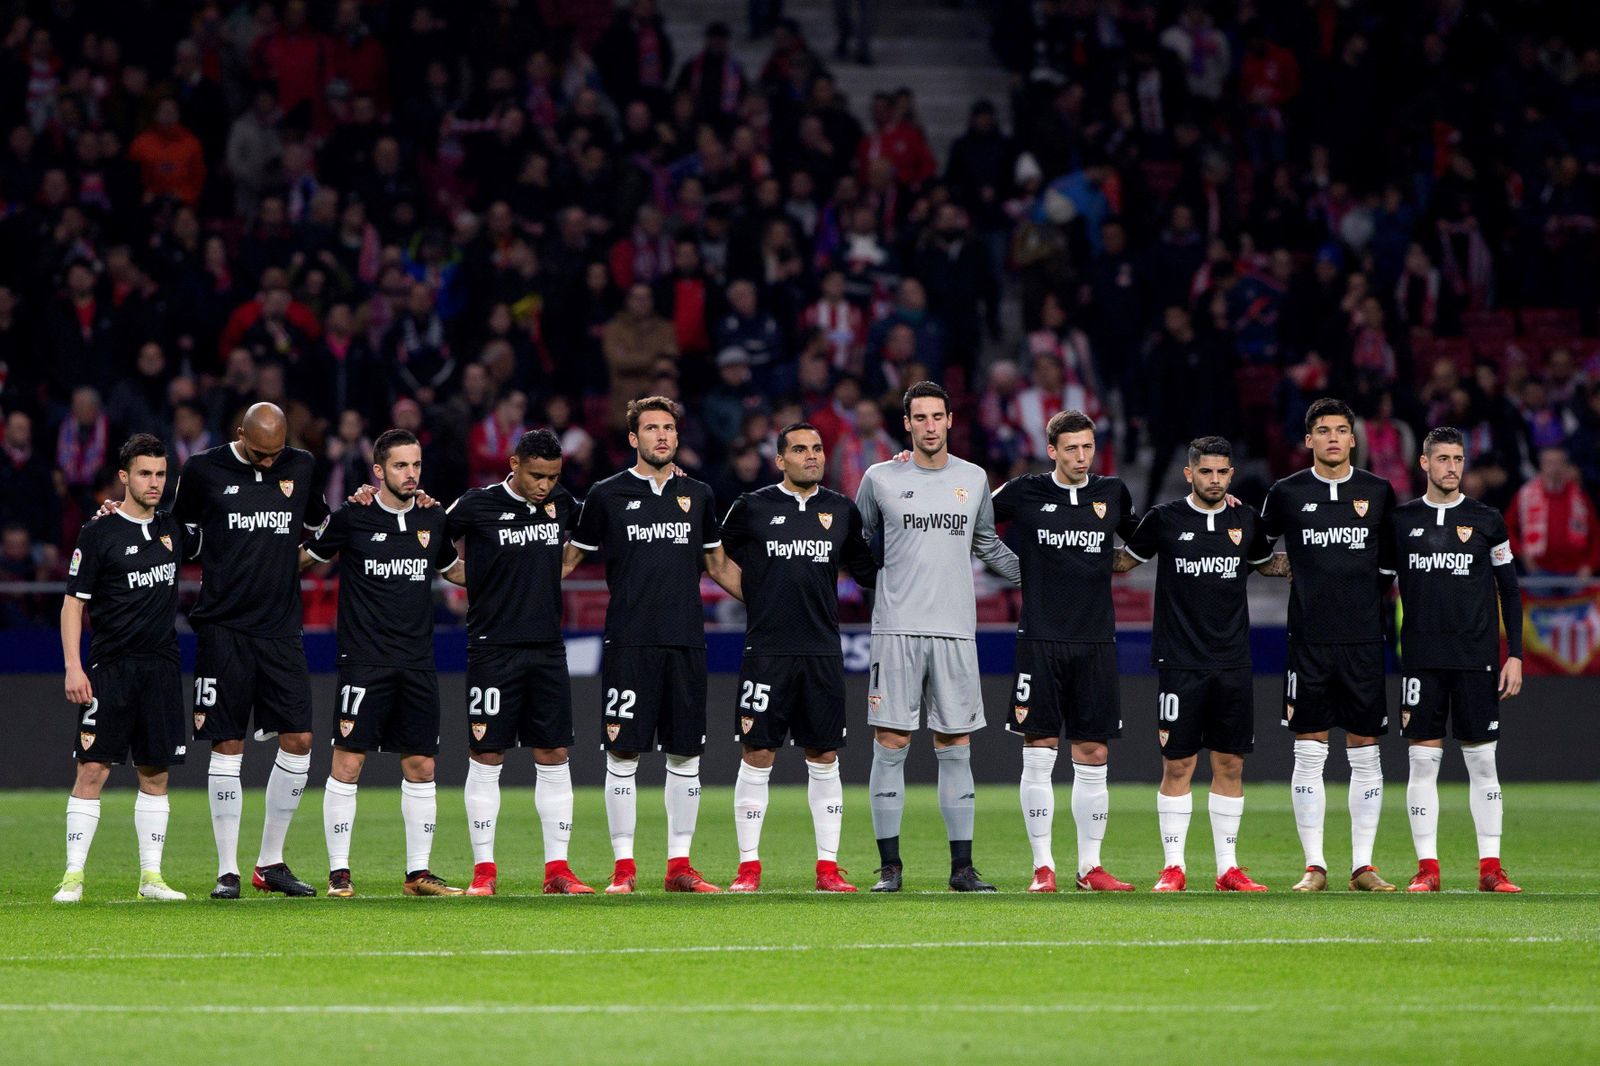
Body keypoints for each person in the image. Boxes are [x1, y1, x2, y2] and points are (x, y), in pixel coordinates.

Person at [562, 397, 744, 893]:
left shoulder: (699, 495)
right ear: (632, 439)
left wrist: (774, 602)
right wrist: (513, 585)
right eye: (651, 429)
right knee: (623, 755)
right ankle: (624, 868)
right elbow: (568, 561)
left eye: (668, 428)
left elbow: (720, 566)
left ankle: (679, 866)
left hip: (686, 641)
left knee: (685, 755)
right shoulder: (606, 495)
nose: (662, 436)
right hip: (629, 642)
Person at [855, 381, 1021, 892]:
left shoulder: (973, 479)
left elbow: (988, 546)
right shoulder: (880, 477)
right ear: (906, 423)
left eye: (937, 417)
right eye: (919, 417)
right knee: (891, 742)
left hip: (954, 630)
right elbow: (859, 543)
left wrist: (1047, 576)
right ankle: (890, 870)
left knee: (956, 743)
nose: (929, 426)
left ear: (950, 421)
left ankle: (962, 870)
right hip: (896, 629)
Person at [1114, 436, 1288, 892]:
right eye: (1205, 471)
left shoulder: (1244, 520)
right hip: (1180, 660)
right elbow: (1123, 562)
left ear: (1231, 474)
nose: (1214, 479)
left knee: (1230, 763)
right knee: (1178, 764)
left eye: (1222, 472)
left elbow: (1268, 564)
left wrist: (1323, 557)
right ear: (1188, 473)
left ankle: (1228, 868)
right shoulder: (1165, 520)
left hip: (1233, 660)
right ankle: (1174, 867)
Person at [171, 402, 330, 899]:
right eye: (260, 454)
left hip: (281, 629)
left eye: (275, 453)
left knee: (301, 740)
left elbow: (323, 525)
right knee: (228, 744)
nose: (268, 463)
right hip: (223, 627)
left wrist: (293, 562)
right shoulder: (203, 469)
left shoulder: (300, 466)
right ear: (240, 434)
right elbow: (177, 532)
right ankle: (227, 870)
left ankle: (270, 863)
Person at [300, 429, 463, 897]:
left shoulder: (433, 519)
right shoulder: (352, 517)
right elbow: (307, 560)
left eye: (416, 465)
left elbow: (456, 571)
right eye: (400, 466)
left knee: (421, 767)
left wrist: (517, 565)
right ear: (378, 471)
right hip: (364, 661)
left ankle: (418, 874)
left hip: (416, 663)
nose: (410, 474)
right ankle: (339, 873)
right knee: (348, 764)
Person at [720, 423, 878, 892]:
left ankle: (827, 868)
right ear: (780, 460)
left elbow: (869, 571)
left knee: (824, 754)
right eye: (800, 450)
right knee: (758, 753)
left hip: (822, 651)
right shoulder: (752, 507)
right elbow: (712, 556)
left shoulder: (841, 510)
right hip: (766, 650)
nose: (812, 456)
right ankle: (749, 867)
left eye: (817, 448)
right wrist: (755, 595)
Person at [992, 410, 1138, 893]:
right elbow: (972, 522)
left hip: (1096, 639)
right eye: (1071, 448)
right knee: (1039, 751)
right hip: (1039, 639)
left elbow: (1146, 537)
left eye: (1088, 448)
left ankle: (1090, 867)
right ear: (1051, 450)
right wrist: (1017, 570)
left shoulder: (1112, 493)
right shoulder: (1023, 491)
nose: (1081, 457)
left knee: (1093, 750)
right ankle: (1043, 866)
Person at [1258, 397, 1400, 892]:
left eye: (1341, 429)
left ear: (1353, 439)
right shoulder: (1287, 492)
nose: (1333, 437)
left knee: (1365, 748)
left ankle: (1362, 865)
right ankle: (1314, 865)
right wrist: (1281, 566)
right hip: (1309, 640)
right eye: (1324, 430)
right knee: (1310, 748)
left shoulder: (1378, 492)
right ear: (1309, 440)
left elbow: (1390, 561)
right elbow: (1255, 545)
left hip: (1363, 638)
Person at [443, 429, 593, 896]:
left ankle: (558, 871)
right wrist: (468, 577)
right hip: (492, 648)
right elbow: (426, 536)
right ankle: (484, 872)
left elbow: (590, 533)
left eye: (552, 476)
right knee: (487, 755)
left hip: (547, 648)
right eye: (536, 475)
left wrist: (557, 566)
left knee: (553, 754)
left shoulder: (562, 502)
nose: (545, 485)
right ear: (513, 464)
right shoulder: (476, 504)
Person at [54, 435, 196, 902]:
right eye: (144, 474)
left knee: (155, 774)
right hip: (110, 668)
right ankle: (73, 876)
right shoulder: (99, 533)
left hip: (160, 667)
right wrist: (74, 667)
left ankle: (151, 878)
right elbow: (73, 604)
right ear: (124, 477)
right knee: (92, 769)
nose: (154, 483)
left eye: (160, 474)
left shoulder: (173, 529)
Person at [1392, 427, 1524, 894]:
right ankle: (1427, 868)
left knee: (1483, 764)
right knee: (1423, 765)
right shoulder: (1401, 521)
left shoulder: (1487, 519)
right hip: (1423, 661)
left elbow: (1509, 588)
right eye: (1442, 459)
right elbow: (1376, 584)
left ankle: (1491, 867)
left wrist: (1516, 656)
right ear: (1424, 464)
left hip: (1477, 659)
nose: (1452, 467)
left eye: (1458, 459)